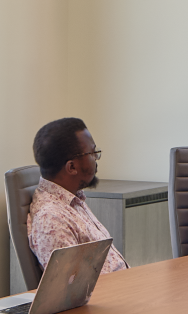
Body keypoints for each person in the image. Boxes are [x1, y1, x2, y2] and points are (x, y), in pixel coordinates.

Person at [26, 117, 127, 273]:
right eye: (93, 153)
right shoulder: (51, 219)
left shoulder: (72, 200)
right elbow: (74, 292)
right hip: (113, 294)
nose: (96, 159)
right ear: (72, 167)